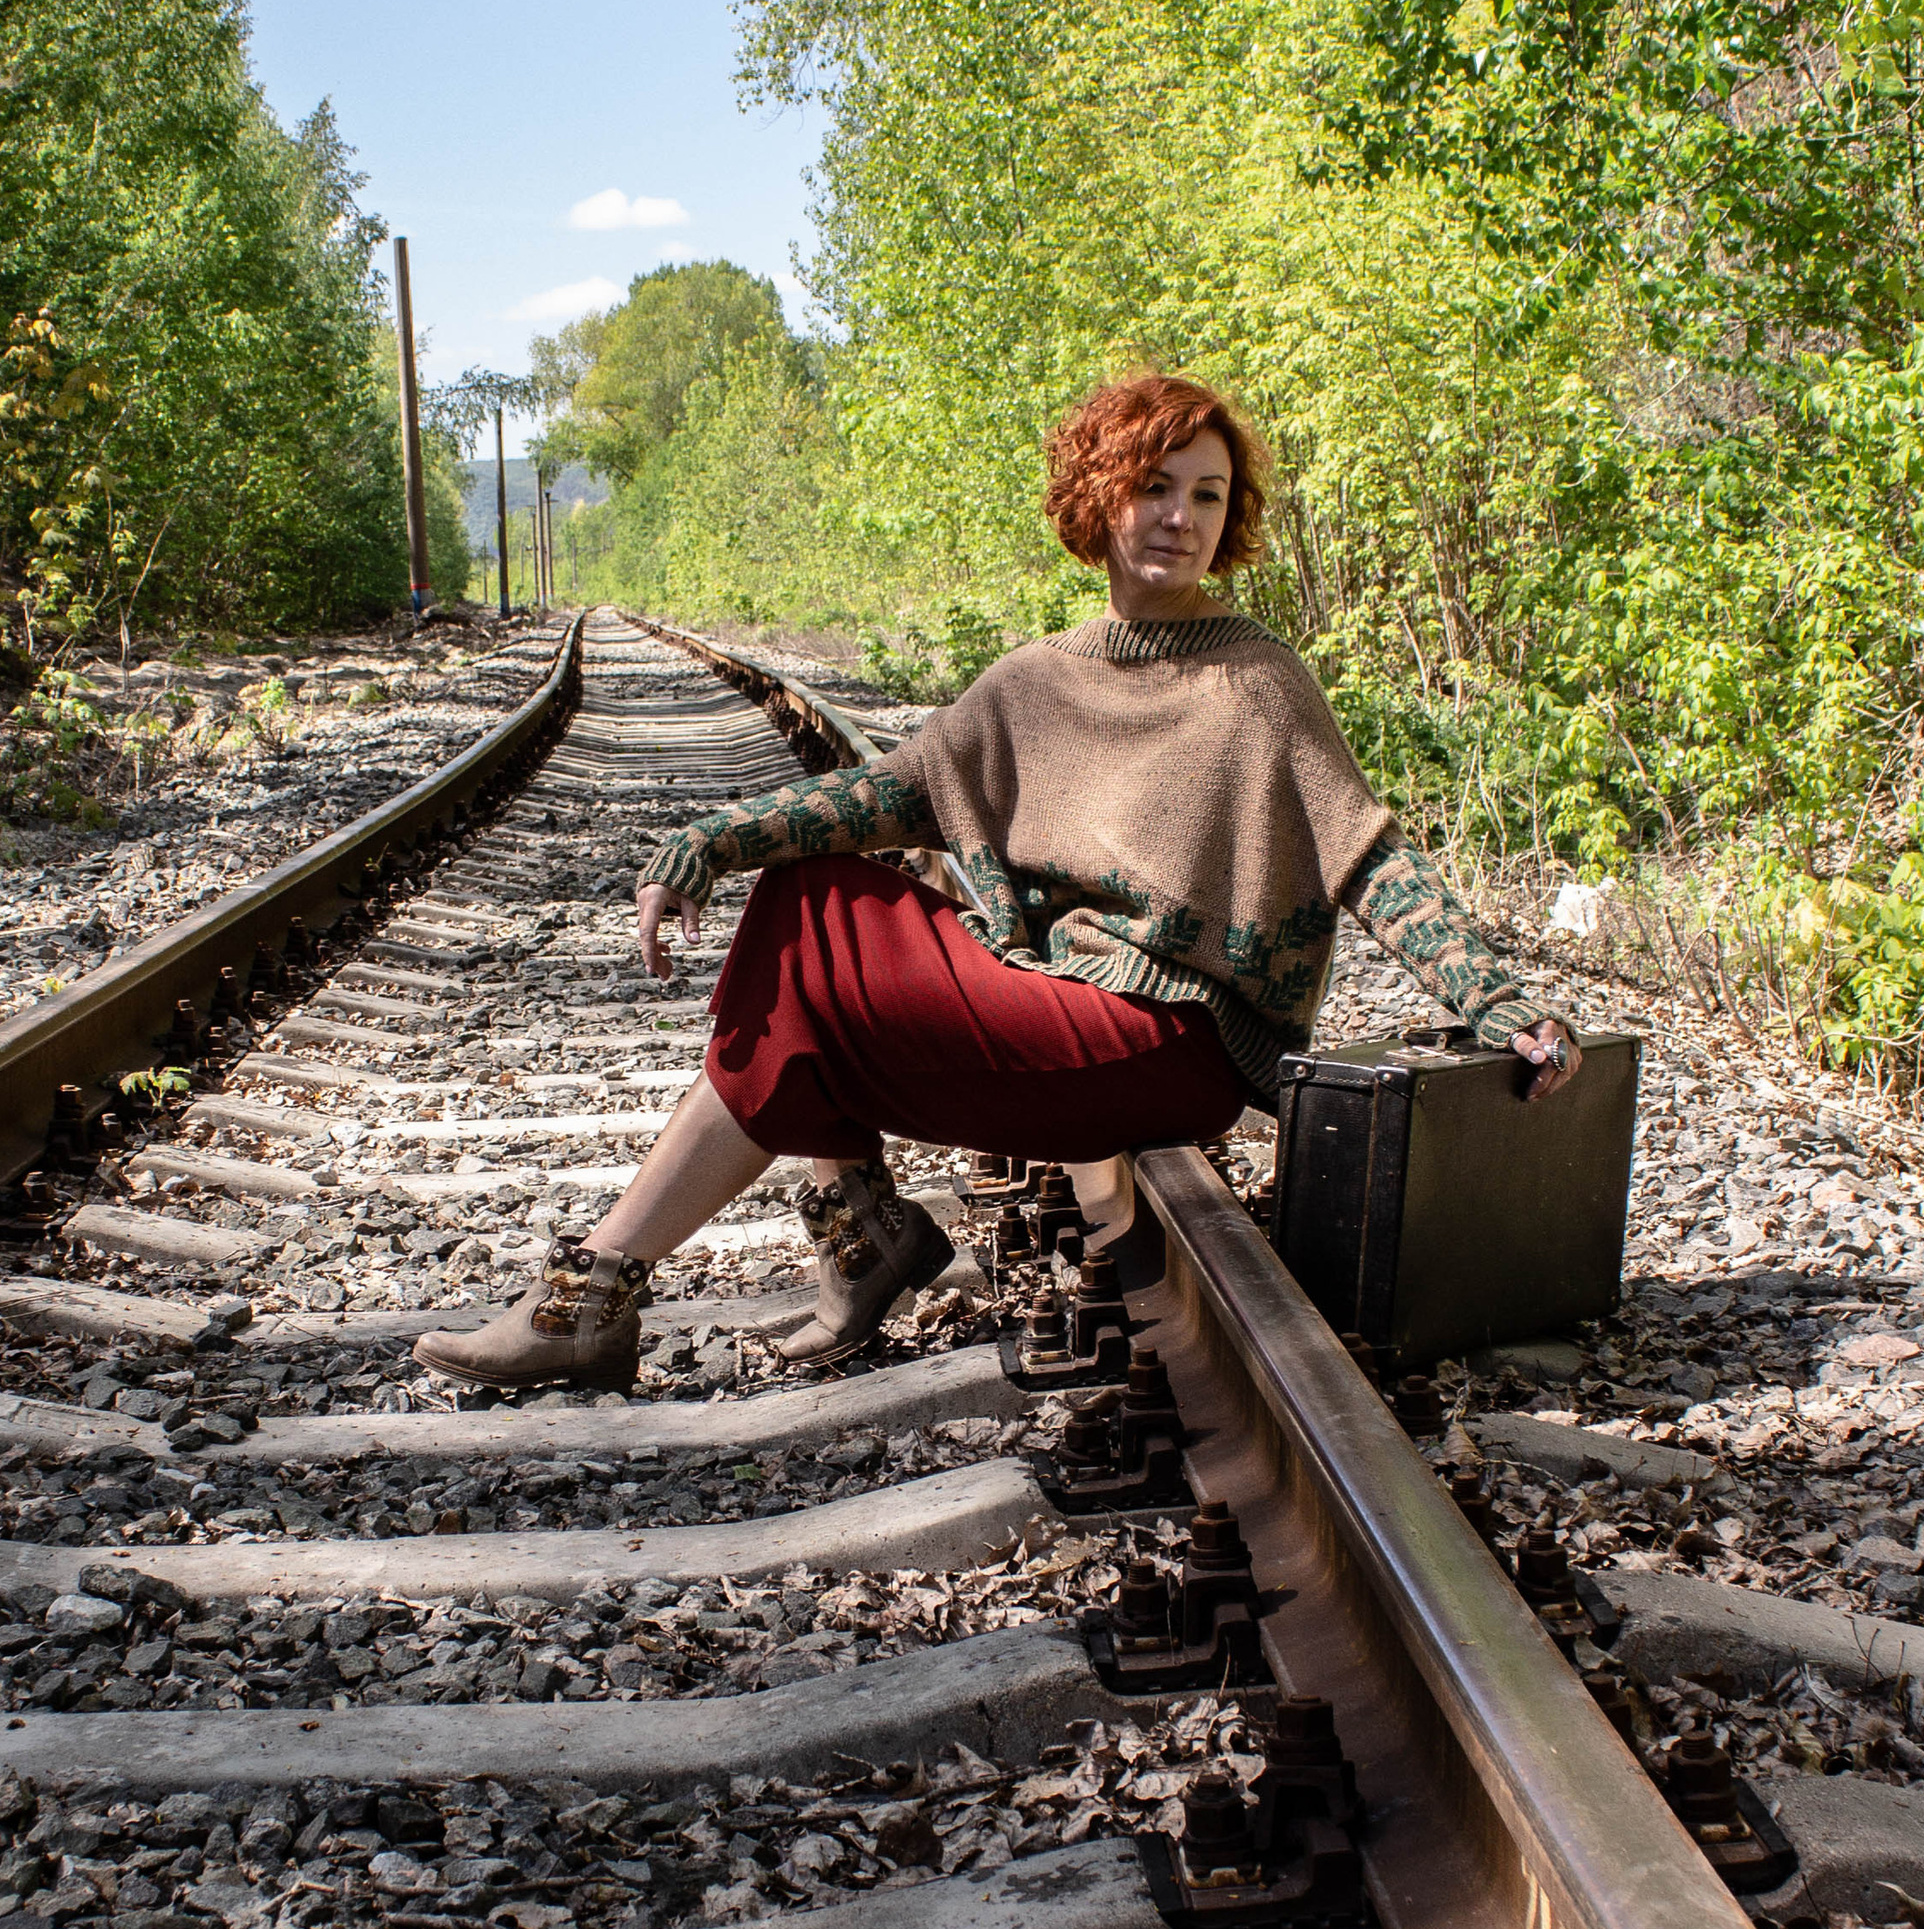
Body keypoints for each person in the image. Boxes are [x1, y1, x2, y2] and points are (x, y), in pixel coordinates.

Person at [413, 371, 1580, 1395]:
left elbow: (1368, 856)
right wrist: (710, 840)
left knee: (808, 936)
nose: (1179, 516)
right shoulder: (1038, 682)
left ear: (1231, 523)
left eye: (1208, 495)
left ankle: (660, 1281)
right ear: (1099, 500)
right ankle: (727, 1267)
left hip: (1170, 1040)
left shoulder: (1258, 685)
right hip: (1065, 1012)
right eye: (1154, 485)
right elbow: (885, 793)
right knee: (806, 892)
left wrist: (1501, 1004)